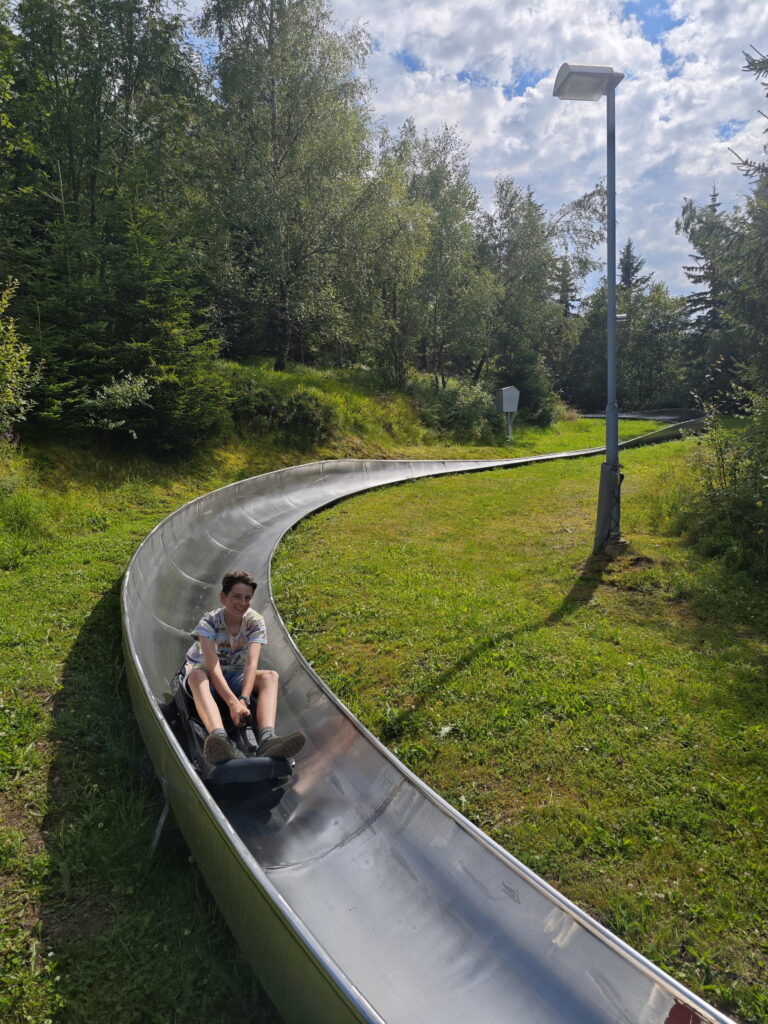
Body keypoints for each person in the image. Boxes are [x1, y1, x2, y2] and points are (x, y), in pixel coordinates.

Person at [183, 569, 305, 764]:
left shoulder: (255, 621)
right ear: (223, 597)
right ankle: (219, 739)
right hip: (206, 674)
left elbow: (251, 662)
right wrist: (233, 704)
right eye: (237, 597)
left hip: (235, 674)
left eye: (248, 598)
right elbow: (212, 667)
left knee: (270, 676)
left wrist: (244, 700)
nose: (243, 603)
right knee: (197, 676)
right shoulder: (209, 622)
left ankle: (267, 739)